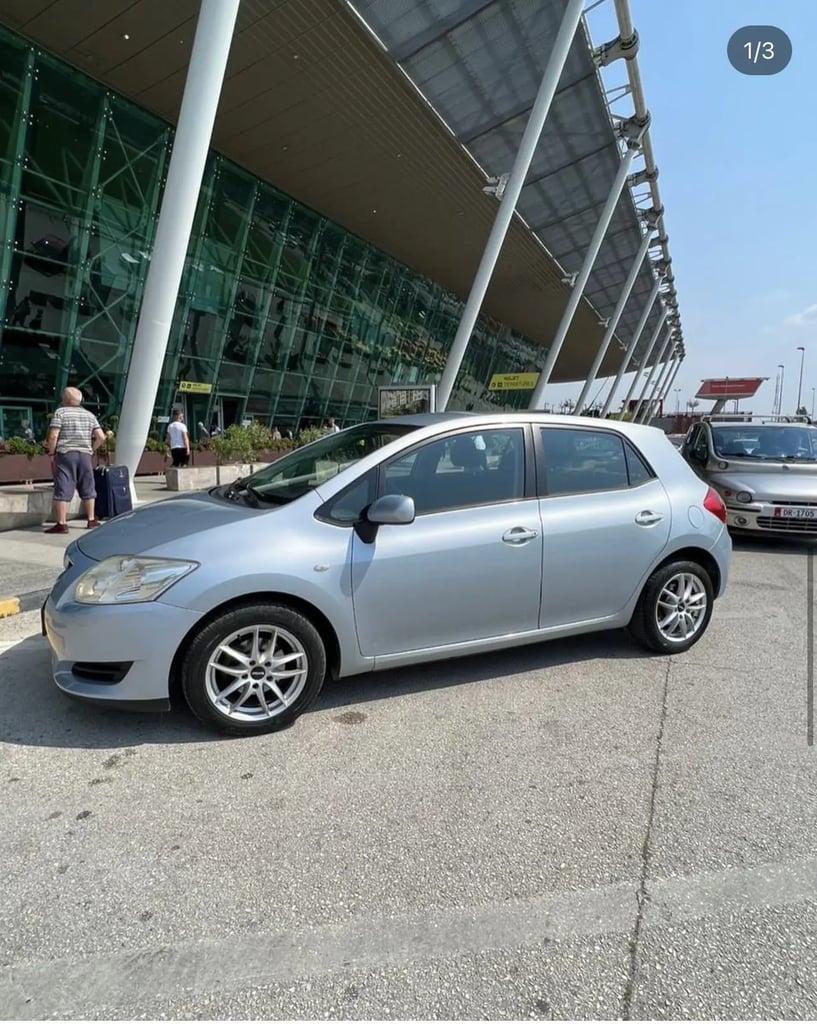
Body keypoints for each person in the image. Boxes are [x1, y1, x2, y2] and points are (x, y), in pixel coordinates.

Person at [44, 386, 107, 534]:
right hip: (85, 455)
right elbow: (101, 437)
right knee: (88, 485)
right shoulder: (89, 415)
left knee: (63, 486)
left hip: (66, 454)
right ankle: (91, 519)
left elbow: (53, 436)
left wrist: (52, 451)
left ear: (65, 399)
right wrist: (91, 449)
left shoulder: (60, 413)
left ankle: (62, 523)